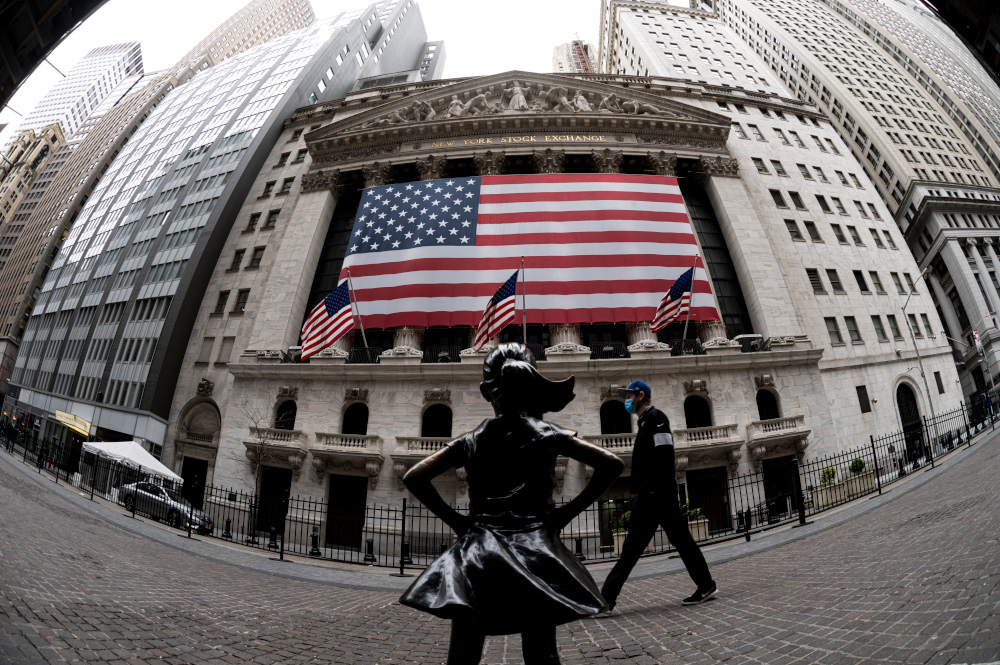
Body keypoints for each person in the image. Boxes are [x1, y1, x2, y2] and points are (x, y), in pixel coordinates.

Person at [400, 343, 624, 665]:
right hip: (536, 550)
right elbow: (612, 464)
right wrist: (566, 514)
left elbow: (414, 477)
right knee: (542, 652)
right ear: (532, 382)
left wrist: (458, 522)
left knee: (463, 651)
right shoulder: (548, 433)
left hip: (477, 551)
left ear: (484, 391)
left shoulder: (470, 439)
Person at [600, 380, 718, 611]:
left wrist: (652, 488)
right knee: (671, 542)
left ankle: (606, 599)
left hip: (656, 494)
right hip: (653, 493)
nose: (627, 401)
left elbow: (665, 455)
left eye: (629, 396)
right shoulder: (645, 422)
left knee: (636, 547)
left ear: (641, 395)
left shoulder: (657, 418)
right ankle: (706, 585)